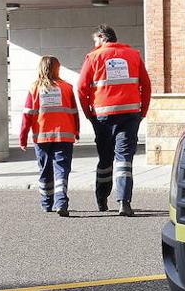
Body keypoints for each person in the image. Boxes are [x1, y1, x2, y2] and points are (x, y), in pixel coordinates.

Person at [77, 25, 152, 216]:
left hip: (102, 117)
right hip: (129, 115)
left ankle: (102, 199)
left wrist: (88, 113)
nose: (95, 45)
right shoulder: (133, 55)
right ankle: (124, 202)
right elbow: (146, 84)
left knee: (105, 159)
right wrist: (142, 111)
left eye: (95, 41)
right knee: (124, 159)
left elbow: (81, 88)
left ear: (102, 37)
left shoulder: (93, 57)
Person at [20, 55, 81, 217]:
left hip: (42, 138)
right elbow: (74, 112)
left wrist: (23, 137)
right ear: (57, 68)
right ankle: (61, 202)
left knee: (45, 170)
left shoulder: (34, 88)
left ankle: (47, 203)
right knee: (62, 170)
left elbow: (28, 115)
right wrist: (76, 131)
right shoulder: (66, 87)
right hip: (64, 136)